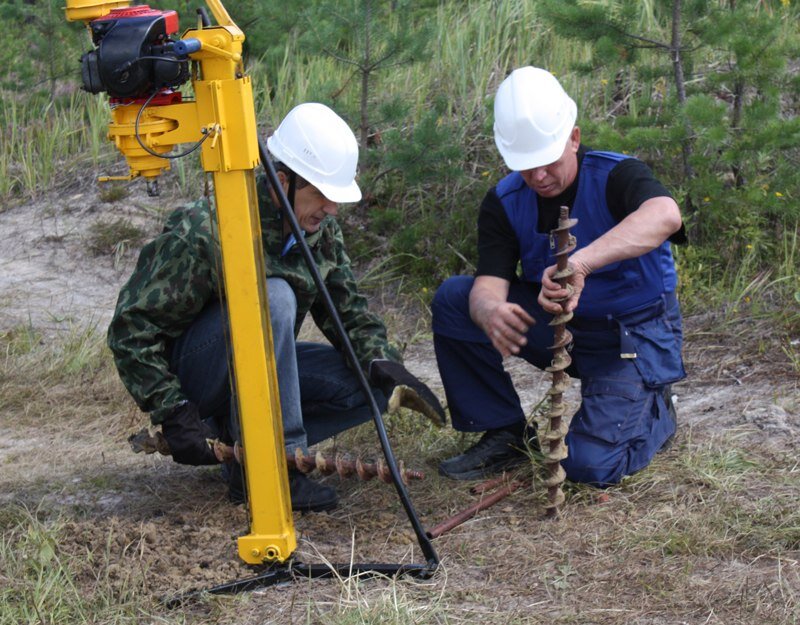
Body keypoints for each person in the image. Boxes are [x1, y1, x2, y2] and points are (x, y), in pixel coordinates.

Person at [108, 102, 445, 511]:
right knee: (274, 297)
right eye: (321, 194)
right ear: (280, 182)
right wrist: (174, 409)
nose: (332, 209)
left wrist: (383, 363)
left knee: (370, 388)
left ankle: (242, 452)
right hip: (200, 380)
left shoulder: (320, 231)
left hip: (259, 372)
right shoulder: (207, 229)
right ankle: (278, 469)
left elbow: (347, 310)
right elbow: (130, 330)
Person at [432, 67, 686, 486]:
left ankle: (656, 407)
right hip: (559, 329)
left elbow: (665, 215)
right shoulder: (504, 200)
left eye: (547, 162)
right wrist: (490, 310)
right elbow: (487, 286)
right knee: (456, 299)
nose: (537, 178)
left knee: (588, 467)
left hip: (630, 336)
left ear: (573, 138)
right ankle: (505, 434)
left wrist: (581, 263)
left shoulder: (619, 176)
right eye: (525, 167)